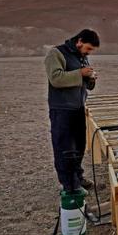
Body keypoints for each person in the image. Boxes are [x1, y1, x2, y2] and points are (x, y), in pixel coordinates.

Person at [44, 29, 99, 193]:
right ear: (79, 41)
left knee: (78, 147)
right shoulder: (56, 53)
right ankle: (70, 186)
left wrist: (90, 79)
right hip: (61, 109)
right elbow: (56, 78)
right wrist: (80, 73)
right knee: (64, 149)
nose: (88, 53)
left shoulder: (81, 56)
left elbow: (83, 82)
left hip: (78, 107)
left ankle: (78, 178)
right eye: (88, 49)